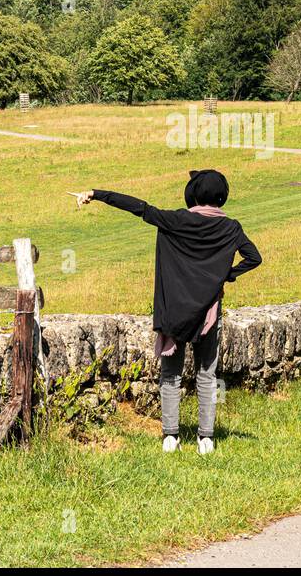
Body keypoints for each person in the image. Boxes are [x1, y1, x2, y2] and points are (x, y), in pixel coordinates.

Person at [76, 170, 261, 455]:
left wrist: (96, 194)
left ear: (194, 194)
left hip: (175, 312)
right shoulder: (231, 228)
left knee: (171, 373)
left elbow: (139, 207)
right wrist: (225, 276)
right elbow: (254, 257)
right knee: (206, 373)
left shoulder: (176, 220)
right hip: (209, 313)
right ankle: (206, 438)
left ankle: (171, 436)